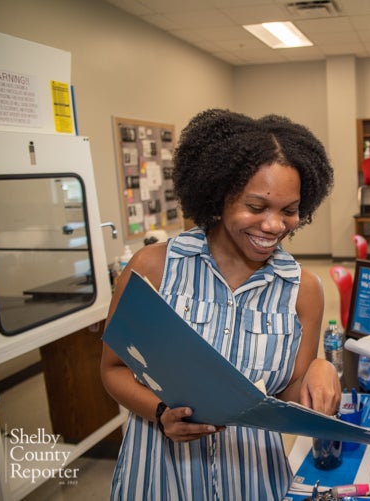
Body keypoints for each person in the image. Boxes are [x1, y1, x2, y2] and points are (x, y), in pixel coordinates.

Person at [101, 109, 340, 500]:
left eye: (289, 210)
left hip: (252, 480)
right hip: (159, 478)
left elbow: (289, 396)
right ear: (220, 195)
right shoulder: (153, 269)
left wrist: (320, 372)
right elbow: (112, 369)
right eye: (257, 207)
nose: (274, 225)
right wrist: (160, 414)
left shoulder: (303, 290)